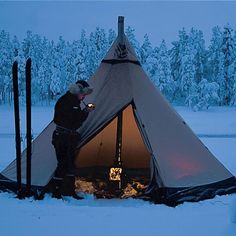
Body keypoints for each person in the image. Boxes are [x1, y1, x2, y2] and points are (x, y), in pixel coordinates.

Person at [51, 80, 94, 199]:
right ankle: (56, 191)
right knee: (63, 164)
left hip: (68, 138)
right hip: (62, 138)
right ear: (78, 91)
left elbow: (75, 121)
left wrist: (84, 111)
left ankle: (69, 191)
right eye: (83, 94)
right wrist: (85, 112)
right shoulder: (67, 101)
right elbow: (74, 122)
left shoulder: (73, 101)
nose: (84, 97)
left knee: (70, 164)